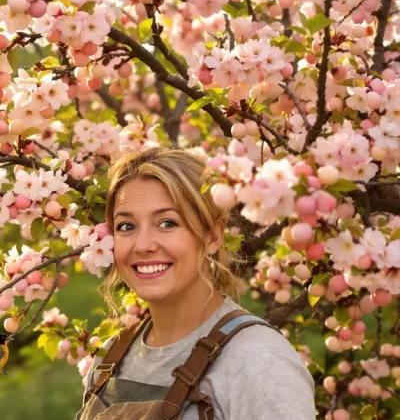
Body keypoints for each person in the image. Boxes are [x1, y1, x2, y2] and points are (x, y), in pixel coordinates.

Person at [76, 147, 316, 420]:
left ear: (213, 236)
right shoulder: (108, 359)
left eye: (167, 223)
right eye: (126, 226)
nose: (142, 245)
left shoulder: (258, 360)